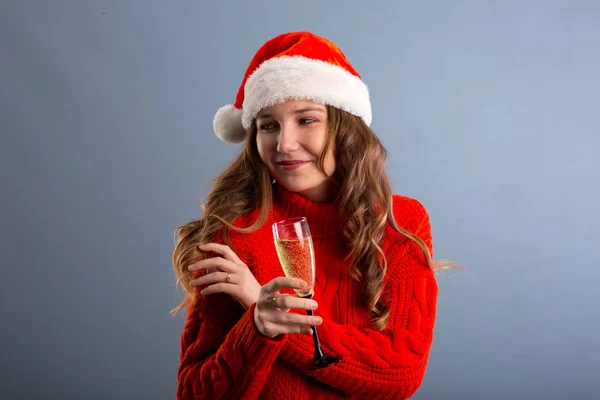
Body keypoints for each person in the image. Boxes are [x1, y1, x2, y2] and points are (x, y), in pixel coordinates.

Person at [172, 31, 454, 399]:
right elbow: (195, 393)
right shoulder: (233, 236)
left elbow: (401, 372)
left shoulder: (400, 221)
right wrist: (259, 327)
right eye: (268, 125)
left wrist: (274, 316)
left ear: (344, 128)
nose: (284, 144)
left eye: (306, 120)